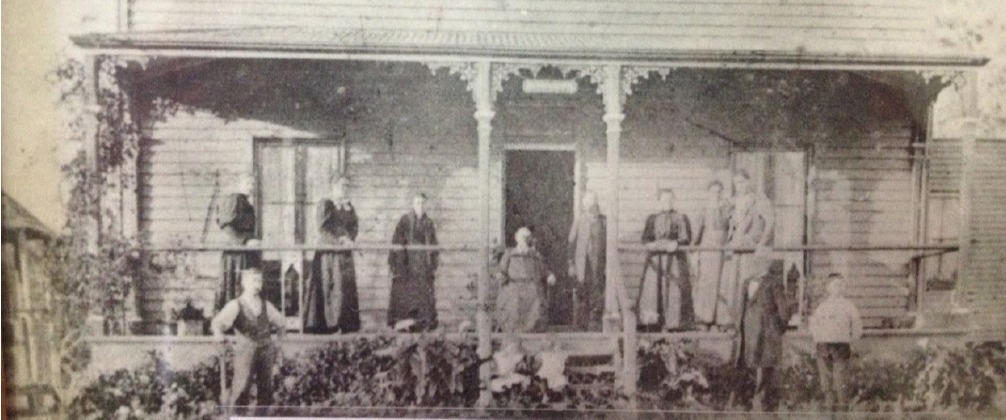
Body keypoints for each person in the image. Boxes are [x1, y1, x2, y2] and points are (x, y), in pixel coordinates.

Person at [211, 268, 285, 408]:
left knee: (266, 391)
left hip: (266, 351)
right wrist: (219, 335)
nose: (258, 285)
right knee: (241, 389)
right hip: (245, 351)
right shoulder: (236, 305)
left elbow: (281, 324)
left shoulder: (266, 306)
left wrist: (278, 344)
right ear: (244, 283)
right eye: (254, 281)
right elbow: (217, 323)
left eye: (260, 281)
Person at [731, 259, 796, 412]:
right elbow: (741, 308)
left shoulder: (771, 282)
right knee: (754, 367)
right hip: (752, 333)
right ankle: (751, 403)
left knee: (763, 367)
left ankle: (760, 405)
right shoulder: (750, 283)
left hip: (764, 333)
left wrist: (779, 327)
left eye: (754, 263)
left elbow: (783, 311)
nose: (750, 266)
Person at [304, 176, 360, 334]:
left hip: (344, 254)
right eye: (342, 186)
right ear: (334, 187)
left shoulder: (349, 207)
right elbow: (322, 229)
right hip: (329, 254)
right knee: (332, 287)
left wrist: (350, 239)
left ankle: (344, 326)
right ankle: (330, 326)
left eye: (347, 187)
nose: (345, 189)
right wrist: (339, 242)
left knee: (345, 289)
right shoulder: (326, 204)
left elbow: (354, 227)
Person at [720, 170, 774, 327]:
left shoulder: (759, 200)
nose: (739, 186)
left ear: (749, 182)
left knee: (748, 284)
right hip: (735, 248)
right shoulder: (734, 203)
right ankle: (733, 321)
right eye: (736, 183)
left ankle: (748, 322)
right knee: (733, 285)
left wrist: (762, 243)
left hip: (750, 248)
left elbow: (770, 222)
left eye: (742, 182)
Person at [636, 188, 694, 331]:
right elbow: (645, 239)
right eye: (664, 199)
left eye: (670, 199)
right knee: (653, 290)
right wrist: (653, 245)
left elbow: (687, 238)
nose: (667, 202)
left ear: (674, 201)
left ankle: (673, 324)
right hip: (656, 259)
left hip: (674, 259)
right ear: (659, 201)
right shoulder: (652, 218)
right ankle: (652, 325)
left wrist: (676, 244)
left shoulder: (681, 217)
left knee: (674, 289)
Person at [809, 274, 863, 412]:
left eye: (841, 285)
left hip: (841, 346)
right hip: (823, 347)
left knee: (840, 383)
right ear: (828, 287)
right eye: (835, 285)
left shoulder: (848, 306)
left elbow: (857, 326)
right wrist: (818, 340)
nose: (838, 288)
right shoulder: (822, 306)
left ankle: (841, 414)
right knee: (826, 384)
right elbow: (814, 326)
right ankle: (829, 413)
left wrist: (851, 340)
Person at [388, 193, 440, 331]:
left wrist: (432, 263)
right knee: (406, 294)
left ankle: (423, 323)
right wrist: (399, 264)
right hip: (408, 263)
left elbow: (434, 244)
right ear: (413, 204)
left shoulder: (428, 223)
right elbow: (397, 241)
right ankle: (405, 324)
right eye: (417, 203)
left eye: (423, 203)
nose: (420, 206)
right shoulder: (405, 221)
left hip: (423, 264)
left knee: (424, 294)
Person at [497, 227, 556, 333]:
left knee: (537, 301)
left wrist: (549, 276)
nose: (526, 240)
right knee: (513, 302)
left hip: (531, 286)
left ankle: (531, 332)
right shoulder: (510, 254)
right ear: (517, 238)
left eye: (528, 237)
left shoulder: (535, 255)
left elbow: (544, 270)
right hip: (514, 286)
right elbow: (502, 271)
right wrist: (501, 277)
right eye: (523, 237)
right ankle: (515, 333)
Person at [216, 175, 262, 310]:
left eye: (253, 184)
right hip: (236, 254)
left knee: (248, 287)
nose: (252, 187)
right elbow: (227, 227)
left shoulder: (245, 202)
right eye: (248, 183)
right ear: (239, 184)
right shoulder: (233, 200)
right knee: (236, 286)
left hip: (245, 253)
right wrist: (244, 242)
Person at [692, 180, 731, 330]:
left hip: (723, 249)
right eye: (713, 191)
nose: (717, 194)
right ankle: (704, 319)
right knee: (707, 283)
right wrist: (693, 247)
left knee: (723, 284)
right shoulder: (703, 209)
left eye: (719, 191)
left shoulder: (727, 208)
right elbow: (697, 231)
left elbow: (732, 227)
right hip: (708, 248)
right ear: (708, 193)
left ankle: (720, 320)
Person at [567, 191, 606, 331]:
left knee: (596, 291)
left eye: (593, 201)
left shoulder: (603, 221)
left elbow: (607, 244)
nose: (591, 204)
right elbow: (571, 243)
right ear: (584, 204)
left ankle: (594, 325)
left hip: (597, 263)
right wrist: (571, 264)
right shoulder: (579, 220)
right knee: (580, 292)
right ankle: (579, 326)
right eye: (588, 201)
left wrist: (607, 265)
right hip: (581, 263)